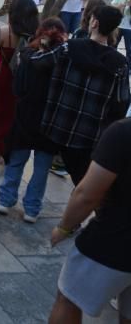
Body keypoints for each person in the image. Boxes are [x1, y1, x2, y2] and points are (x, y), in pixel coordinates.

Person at [31, 5, 130, 186]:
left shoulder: (69, 48)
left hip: (56, 127)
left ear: (94, 23)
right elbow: (121, 104)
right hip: (88, 137)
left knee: (41, 169)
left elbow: (37, 62)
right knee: (84, 184)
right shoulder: (120, 63)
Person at [49, 118, 131, 322]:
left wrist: (64, 228)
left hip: (112, 242)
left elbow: (87, 194)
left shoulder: (123, 133)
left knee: (68, 299)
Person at [0, 18, 68, 223]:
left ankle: (5, 199)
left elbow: (17, 88)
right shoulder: (62, 61)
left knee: (17, 160)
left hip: (25, 115)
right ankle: (32, 208)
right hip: (49, 120)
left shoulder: (27, 56)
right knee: (42, 168)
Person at [0, 0, 39, 168]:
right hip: (24, 82)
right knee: (14, 118)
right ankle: (10, 152)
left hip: (3, 81)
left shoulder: (4, 32)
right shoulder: (36, 34)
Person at [111, 0, 131, 72]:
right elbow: (112, 6)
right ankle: (113, 64)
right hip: (118, 25)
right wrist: (122, 5)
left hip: (129, 27)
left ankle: (128, 68)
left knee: (129, 49)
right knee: (113, 45)